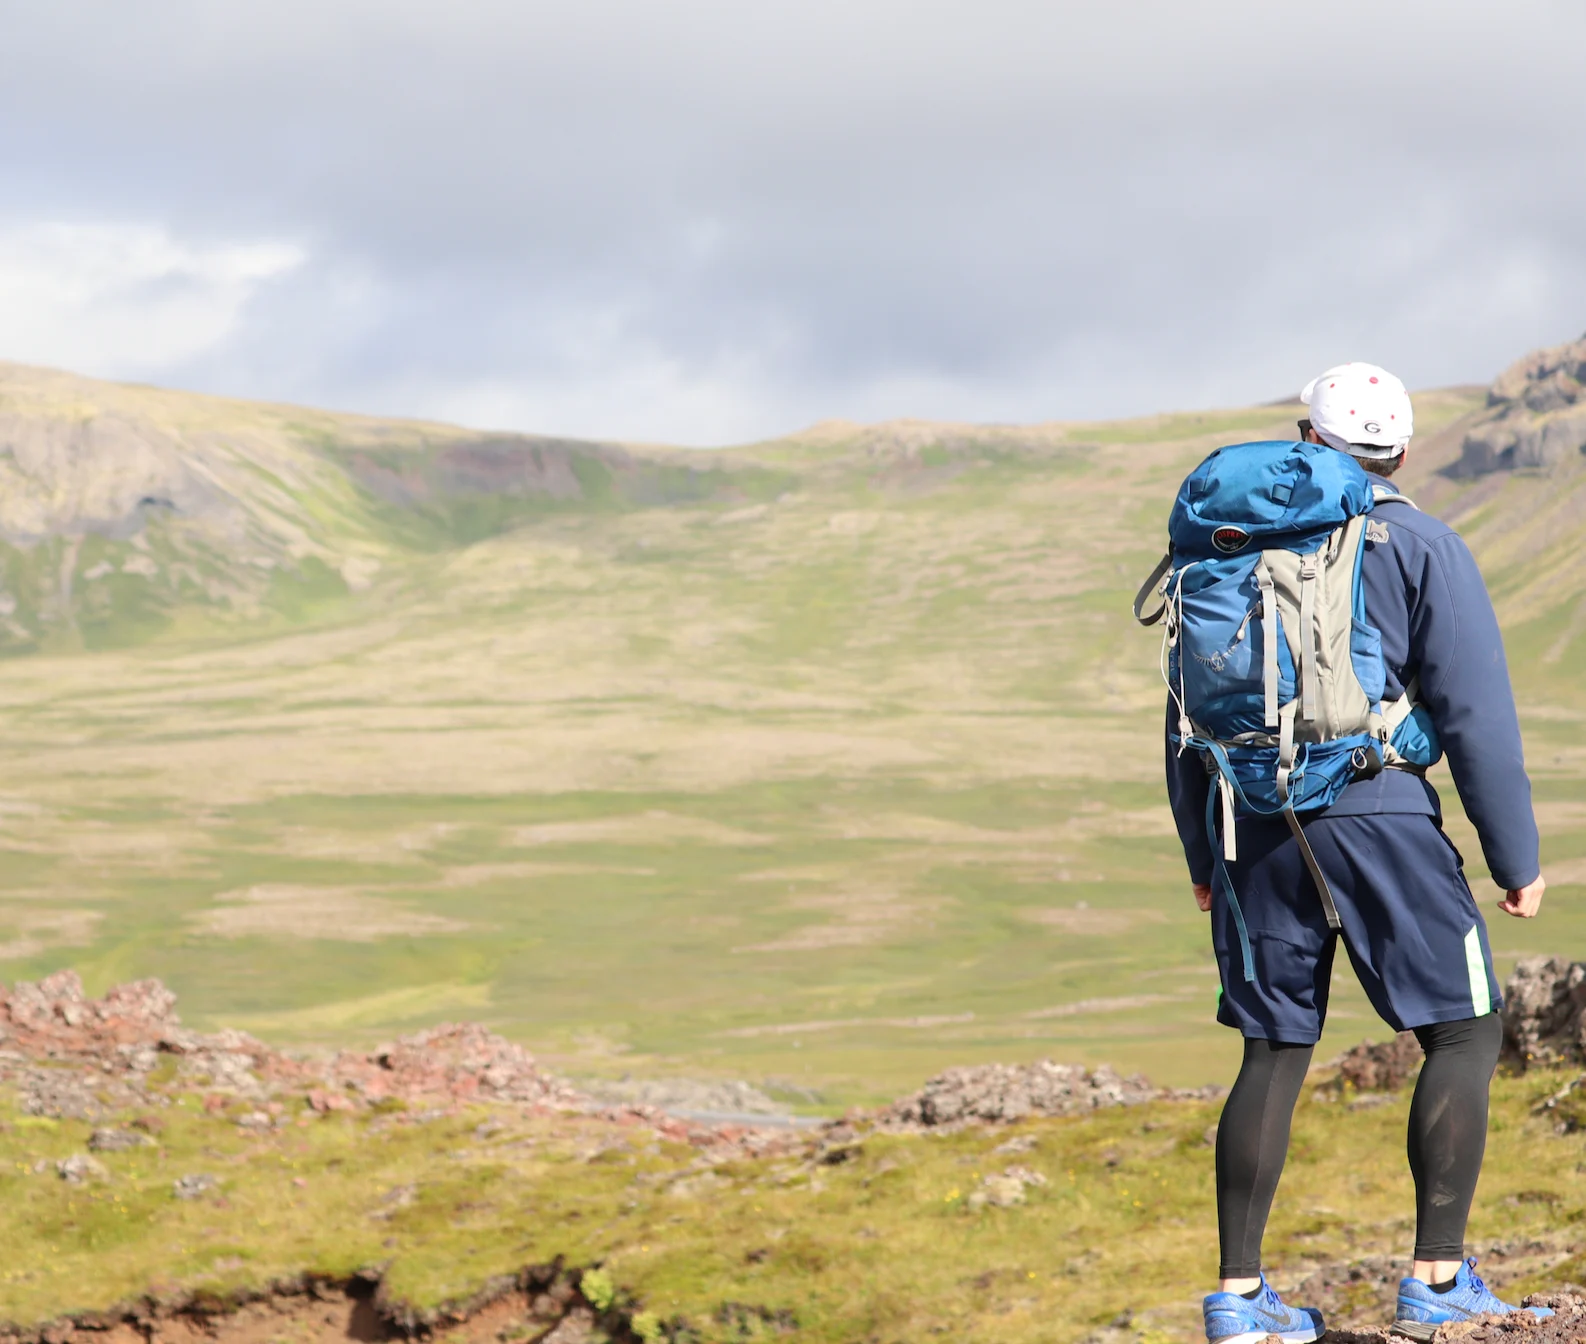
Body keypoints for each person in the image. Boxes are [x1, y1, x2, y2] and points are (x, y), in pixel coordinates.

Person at [1163, 363, 1552, 1344]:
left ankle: (1239, 1301)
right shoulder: (1420, 541)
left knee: (1273, 1046)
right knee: (1463, 1029)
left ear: (1302, 435)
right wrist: (1514, 859)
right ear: (1402, 452)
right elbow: (1475, 714)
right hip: (1379, 813)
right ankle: (1434, 1279)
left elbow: (1180, 719)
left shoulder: (1231, 549)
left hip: (1250, 828)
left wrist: (1201, 859)